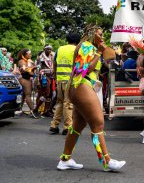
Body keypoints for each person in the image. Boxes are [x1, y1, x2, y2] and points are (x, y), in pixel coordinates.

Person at [57, 24, 125, 171]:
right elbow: (84, 69)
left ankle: (65, 159)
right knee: (98, 123)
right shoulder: (86, 46)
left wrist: (105, 51)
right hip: (82, 84)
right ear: (91, 34)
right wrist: (99, 53)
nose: (102, 37)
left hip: (81, 86)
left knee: (77, 126)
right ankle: (106, 161)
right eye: (99, 34)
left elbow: (110, 59)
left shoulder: (90, 47)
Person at [49, 33, 80, 135]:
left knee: (59, 103)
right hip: (69, 81)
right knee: (68, 103)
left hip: (59, 80)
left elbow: (55, 64)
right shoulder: (76, 50)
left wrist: (56, 77)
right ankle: (67, 126)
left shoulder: (60, 49)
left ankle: (54, 125)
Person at [33, 45, 55, 117]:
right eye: (48, 49)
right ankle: (36, 109)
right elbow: (38, 68)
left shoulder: (52, 56)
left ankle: (46, 111)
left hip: (51, 76)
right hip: (44, 77)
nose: (49, 50)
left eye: (50, 49)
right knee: (46, 94)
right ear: (44, 49)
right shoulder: (40, 58)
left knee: (51, 94)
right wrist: (38, 80)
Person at [17, 49, 38, 117]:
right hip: (24, 79)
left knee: (23, 95)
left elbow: (31, 70)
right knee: (28, 95)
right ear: (25, 54)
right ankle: (33, 111)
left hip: (27, 79)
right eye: (29, 54)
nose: (30, 55)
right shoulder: (21, 61)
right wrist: (33, 67)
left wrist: (33, 67)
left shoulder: (28, 61)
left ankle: (19, 110)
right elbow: (24, 69)